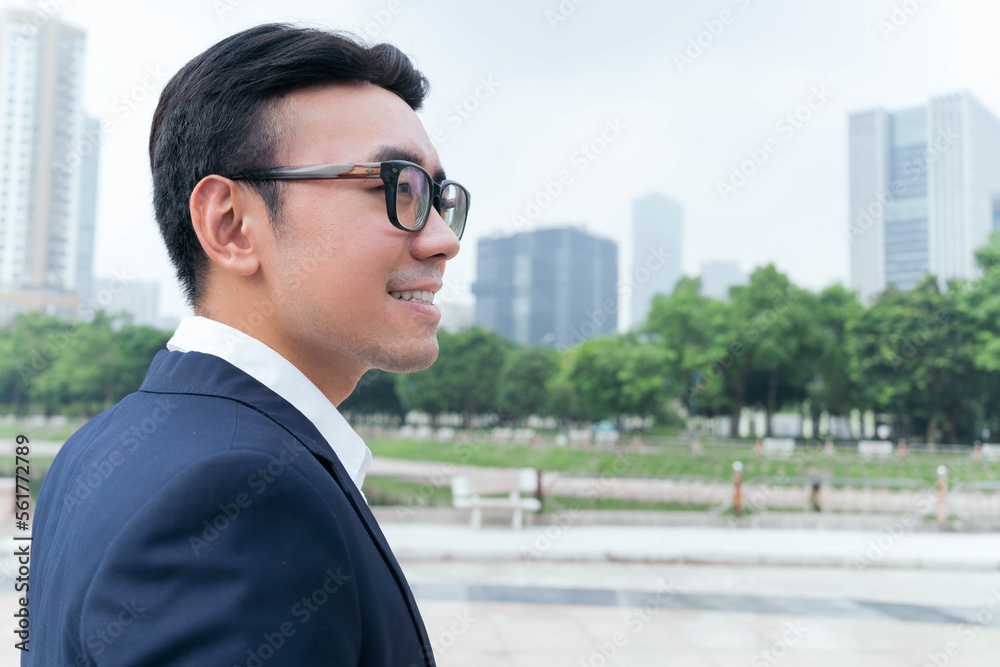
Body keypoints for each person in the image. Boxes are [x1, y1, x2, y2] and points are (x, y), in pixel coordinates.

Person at [27, 23, 468, 666]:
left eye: (438, 198)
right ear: (231, 224)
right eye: (396, 188)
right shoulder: (241, 495)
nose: (442, 240)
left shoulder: (97, 447)